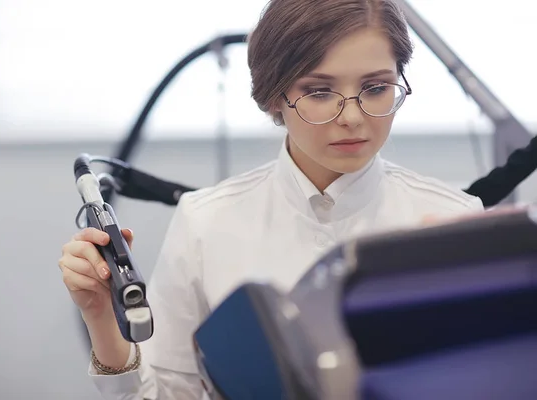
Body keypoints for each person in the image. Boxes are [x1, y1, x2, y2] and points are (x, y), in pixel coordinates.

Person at [58, 0, 484, 398]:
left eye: (376, 87)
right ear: (274, 95)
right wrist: (101, 318)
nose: (353, 116)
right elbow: (170, 390)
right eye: (320, 92)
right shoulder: (206, 221)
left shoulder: (454, 220)